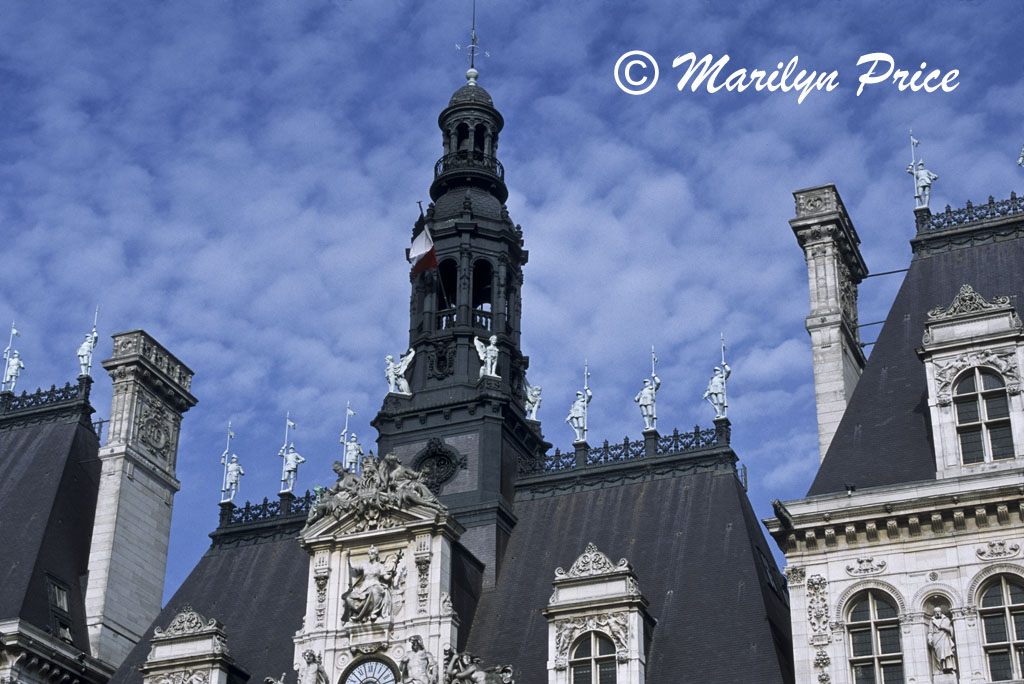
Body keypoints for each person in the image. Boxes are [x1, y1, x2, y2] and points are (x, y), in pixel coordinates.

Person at [341, 546, 402, 623]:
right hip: (364, 588)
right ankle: (362, 612)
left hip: (375, 585)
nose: (370, 555)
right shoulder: (365, 565)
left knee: (375, 590)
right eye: (369, 554)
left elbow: (386, 577)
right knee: (349, 598)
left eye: (372, 554)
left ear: (376, 555)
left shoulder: (380, 566)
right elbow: (353, 566)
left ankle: (374, 612)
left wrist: (391, 575)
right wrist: (348, 557)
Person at [928, 606, 956, 673]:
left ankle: (949, 668)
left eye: (938, 611)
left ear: (941, 612)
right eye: (936, 612)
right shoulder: (932, 620)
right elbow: (930, 631)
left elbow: (950, 630)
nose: (937, 613)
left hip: (945, 637)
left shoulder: (946, 619)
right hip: (936, 638)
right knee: (939, 654)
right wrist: (930, 639)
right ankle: (940, 669)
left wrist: (943, 628)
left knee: (947, 652)